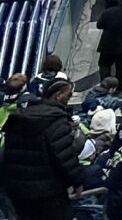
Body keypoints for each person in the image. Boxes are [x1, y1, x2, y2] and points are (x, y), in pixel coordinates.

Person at [0, 71, 82, 220]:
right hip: (48, 192)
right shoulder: (57, 121)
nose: (69, 100)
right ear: (58, 95)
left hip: (17, 189)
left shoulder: (20, 116)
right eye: (68, 95)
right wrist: (76, 181)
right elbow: (64, 157)